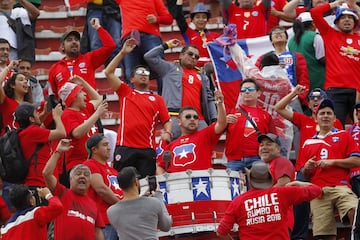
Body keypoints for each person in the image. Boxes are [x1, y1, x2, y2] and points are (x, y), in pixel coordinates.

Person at [274, 85, 343, 240]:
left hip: (326, 169)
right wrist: (294, 94)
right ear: (309, 104)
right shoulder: (303, 120)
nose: (316, 101)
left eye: (320, 98)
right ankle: (299, 236)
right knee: (297, 193)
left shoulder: (335, 122)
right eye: (313, 99)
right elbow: (278, 108)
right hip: (304, 169)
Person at [105, 38, 172, 178]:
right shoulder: (125, 92)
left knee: (146, 187)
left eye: (146, 73)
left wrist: (168, 132)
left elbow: (167, 121)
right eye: (140, 73)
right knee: (121, 184)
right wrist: (123, 53)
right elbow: (108, 72)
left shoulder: (158, 99)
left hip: (147, 149)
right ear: (131, 79)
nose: (143, 75)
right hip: (125, 147)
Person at [300, 98, 360, 239]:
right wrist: (307, 168)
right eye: (322, 113)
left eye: (329, 113)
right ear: (316, 118)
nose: (325, 116)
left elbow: (357, 160)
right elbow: (305, 174)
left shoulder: (344, 135)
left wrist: (332, 162)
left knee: (355, 212)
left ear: (334, 118)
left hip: (341, 187)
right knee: (323, 236)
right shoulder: (308, 142)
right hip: (318, 190)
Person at [216, 161, 322, 240]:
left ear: (250, 179)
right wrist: (298, 183)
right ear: (270, 178)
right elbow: (316, 190)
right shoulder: (282, 193)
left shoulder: (238, 202)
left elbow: (221, 231)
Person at [144, 39, 217, 139]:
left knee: (204, 150)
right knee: (172, 150)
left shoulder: (202, 76)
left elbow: (209, 99)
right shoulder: (169, 68)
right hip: (175, 117)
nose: (193, 57)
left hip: (198, 119)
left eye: (196, 57)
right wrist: (167, 45)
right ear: (181, 55)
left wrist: (214, 119)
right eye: (190, 54)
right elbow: (149, 57)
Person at [43, 139, 105, 240]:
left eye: (86, 175)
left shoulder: (94, 205)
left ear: (90, 182)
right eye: (78, 173)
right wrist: (58, 151)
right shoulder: (62, 193)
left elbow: (98, 233)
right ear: (70, 179)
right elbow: (46, 174)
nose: (82, 176)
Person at [310, 0, 360, 127]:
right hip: (335, 89)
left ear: (356, 22)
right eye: (343, 17)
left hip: (357, 90)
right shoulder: (329, 34)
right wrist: (335, 3)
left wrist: (354, 6)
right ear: (336, 22)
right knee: (336, 126)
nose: (347, 20)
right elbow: (314, 13)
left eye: (350, 17)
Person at [157, 92, 226, 173]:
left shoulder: (205, 135)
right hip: (177, 183)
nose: (192, 119)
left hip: (201, 182)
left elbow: (221, 123)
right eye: (188, 117)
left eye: (196, 117)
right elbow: (160, 166)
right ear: (179, 121)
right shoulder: (171, 145)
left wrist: (220, 104)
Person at [48, 17, 116, 98]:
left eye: (76, 40)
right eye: (69, 40)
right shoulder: (54, 68)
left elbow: (110, 46)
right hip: (67, 110)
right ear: (62, 47)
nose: (74, 42)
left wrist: (98, 28)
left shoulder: (89, 59)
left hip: (88, 108)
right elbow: (54, 94)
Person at [58, 76, 108, 186]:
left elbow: (99, 100)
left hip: (93, 162)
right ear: (74, 97)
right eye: (81, 92)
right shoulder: (67, 114)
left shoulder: (84, 109)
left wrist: (83, 83)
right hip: (78, 165)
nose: (85, 95)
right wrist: (96, 114)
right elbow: (77, 133)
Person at [115, 0, 173, 92]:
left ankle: (165, 102)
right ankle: (134, 103)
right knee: (131, 73)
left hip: (149, 36)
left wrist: (157, 19)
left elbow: (169, 19)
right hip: (131, 37)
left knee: (160, 70)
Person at [15, 102, 66, 204]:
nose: (39, 114)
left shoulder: (25, 132)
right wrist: (57, 117)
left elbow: (41, 124)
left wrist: (46, 112)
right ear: (31, 119)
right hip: (39, 184)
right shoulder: (32, 131)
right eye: (36, 113)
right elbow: (62, 133)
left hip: (37, 183)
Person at [225, 78, 276, 172]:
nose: (247, 92)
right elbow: (216, 130)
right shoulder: (231, 112)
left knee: (258, 186)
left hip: (258, 159)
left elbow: (273, 139)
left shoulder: (266, 115)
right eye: (243, 90)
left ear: (258, 93)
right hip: (235, 160)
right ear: (240, 94)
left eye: (250, 89)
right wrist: (223, 121)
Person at [107, 166, 172, 239]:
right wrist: (159, 196)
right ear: (136, 181)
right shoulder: (154, 203)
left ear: (120, 185)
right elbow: (166, 226)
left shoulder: (111, 211)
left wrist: (143, 197)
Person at [256, 26, 310, 109]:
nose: (278, 33)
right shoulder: (263, 58)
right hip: (269, 100)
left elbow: (304, 78)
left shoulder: (297, 56)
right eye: (274, 33)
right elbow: (256, 77)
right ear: (271, 41)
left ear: (286, 38)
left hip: (292, 98)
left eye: (281, 31)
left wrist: (299, 97)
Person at [83, 134, 123, 240]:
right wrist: (122, 205)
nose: (109, 148)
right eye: (105, 145)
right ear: (94, 150)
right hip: (103, 221)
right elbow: (101, 189)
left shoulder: (112, 170)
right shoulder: (90, 165)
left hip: (118, 220)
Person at [258, 133, 296, 232]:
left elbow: (283, 185)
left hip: (279, 219)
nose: (264, 147)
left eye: (269, 144)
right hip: (268, 219)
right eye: (261, 145)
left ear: (278, 149)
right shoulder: (262, 166)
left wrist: (258, 198)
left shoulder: (282, 161)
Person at [166, 2, 220, 66]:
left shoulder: (216, 36)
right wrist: (179, 2)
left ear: (207, 20)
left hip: (211, 69)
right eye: (197, 17)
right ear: (192, 20)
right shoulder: (188, 33)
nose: (201, 19)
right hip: (193, 69)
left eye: (204, 17)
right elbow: (179, 18)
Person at [288, 12, 325, 91]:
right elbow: (321, 58)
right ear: (313, 24)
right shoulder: (315, 36)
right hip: (318, 80)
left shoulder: (291, 41)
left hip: (300, 83)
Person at [82, 0, 122, 66]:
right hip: (95, 9)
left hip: (113, 9)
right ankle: (98, 67)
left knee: (116, 43)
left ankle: (114, 68)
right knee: (96, 44)